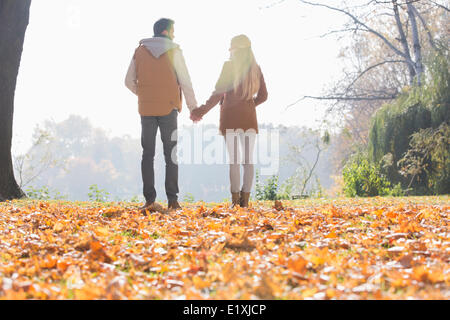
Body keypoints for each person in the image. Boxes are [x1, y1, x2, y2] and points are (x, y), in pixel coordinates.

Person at [125, 18, 201, 212]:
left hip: (147, 109)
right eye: (173, 30)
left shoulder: (140, 51)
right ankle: (173, 200)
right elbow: (185, 81)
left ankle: (149, 200)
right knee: (171, 155)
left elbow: (128, 81)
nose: (174, 34)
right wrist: (193, 108)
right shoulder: (175, 51)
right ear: (166, 32)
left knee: (147, 154)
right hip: (169, 108)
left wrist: (144, 94)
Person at [192, 34, 268, 208]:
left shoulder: (229, 67)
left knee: (234, 161)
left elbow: (218, 92)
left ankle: (235, 202)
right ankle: (245, 202)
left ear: (234, 49)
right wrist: (249, 106)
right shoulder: (256, 68)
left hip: (230, 119)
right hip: (249, 120)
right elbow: (264, 96)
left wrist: (200, 111)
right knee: (248, 161)